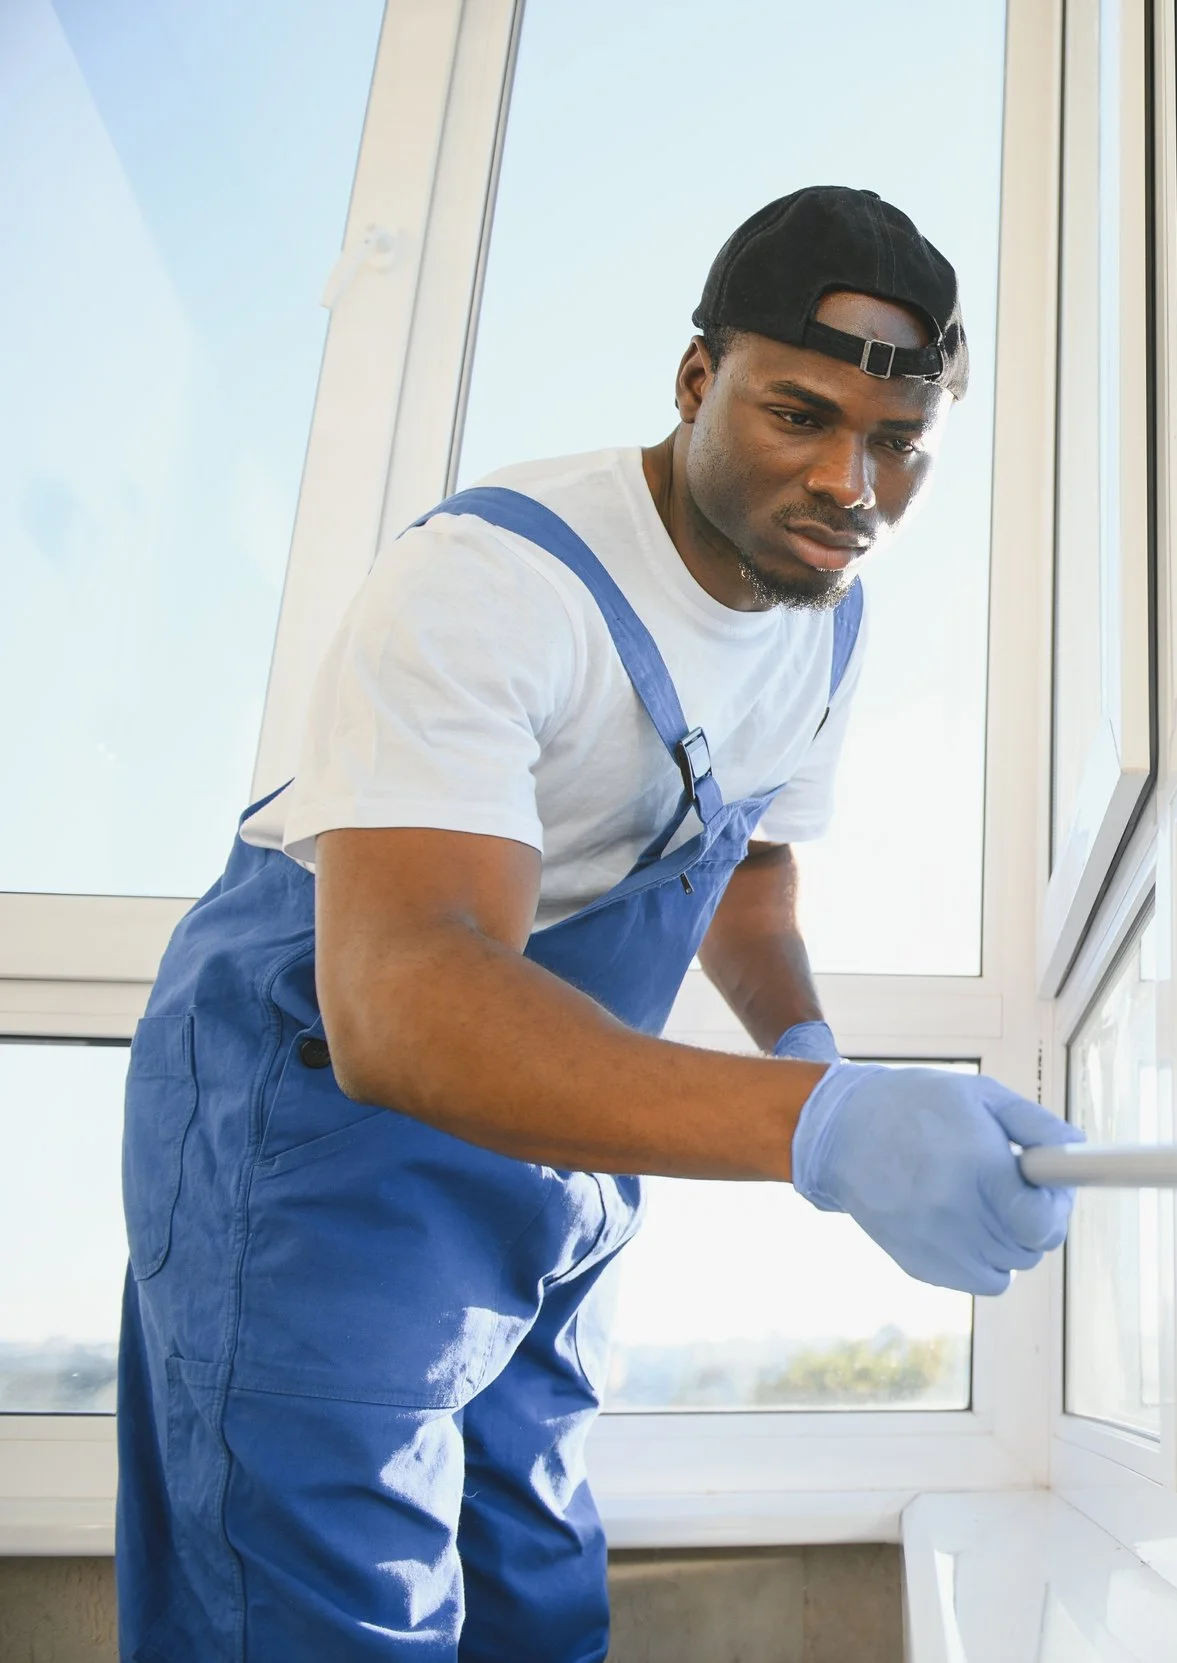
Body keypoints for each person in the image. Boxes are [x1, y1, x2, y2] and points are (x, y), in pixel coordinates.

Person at [114, 186, 1078, 1661]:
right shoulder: (493, 583)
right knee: (329, 1606)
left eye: (898, 443)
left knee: (531, 1574)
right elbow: (409, 993)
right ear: (698, 382)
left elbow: (742, 863)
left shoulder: (822, 607)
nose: (851, 483)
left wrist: (810, 1040)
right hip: (318, 1122)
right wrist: (816, 1123)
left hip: (553, 1145)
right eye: (798, 416)